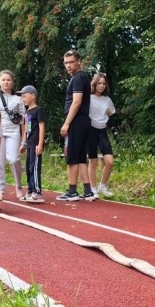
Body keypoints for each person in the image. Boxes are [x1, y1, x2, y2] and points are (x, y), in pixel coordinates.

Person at [57, 50, 96, 201]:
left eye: (71, 62)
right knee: (80, 157)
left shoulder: (78, 78)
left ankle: (72, 190)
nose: (68, 65)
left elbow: (77, 101)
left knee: (72, 155)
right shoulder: (82, 77)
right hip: (84, 120)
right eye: (66, 63)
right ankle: (87, 190)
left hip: (77, 120)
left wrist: (67, 123)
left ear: (79, 61)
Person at [0, 70, 26, 200]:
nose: (6, 82)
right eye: (3, 80)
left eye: (8, 80)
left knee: (14, 159)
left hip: (13, 132)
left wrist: (24, 139)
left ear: (12, 82)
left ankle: (18, 186)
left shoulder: (19, 99)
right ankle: (1, 189)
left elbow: (24, 120)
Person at [88, 73, 116, 197]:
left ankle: (102, 186)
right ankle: (92, 189)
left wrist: (104, 116)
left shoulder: (107, 100)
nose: (102, 86)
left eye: (104, 83)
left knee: (109, 161)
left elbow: (111, 112)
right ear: (94, 84)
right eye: (99, 83)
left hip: (102, 131)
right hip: (90, 131)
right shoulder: (89, 98)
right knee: (93, 162)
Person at [17, 85, 46, 202]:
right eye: (22, 97)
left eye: (24, 96)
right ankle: (30, 191)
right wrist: (23, 144)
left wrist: (40, 144)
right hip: (29, 144)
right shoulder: (27, 112)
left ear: (33, 96)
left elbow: (42, 127)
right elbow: (25, 130)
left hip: (35, 143)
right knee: (29, 167)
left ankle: (37, 192)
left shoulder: (38, 110)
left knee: (34, 167)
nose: (23, 98)